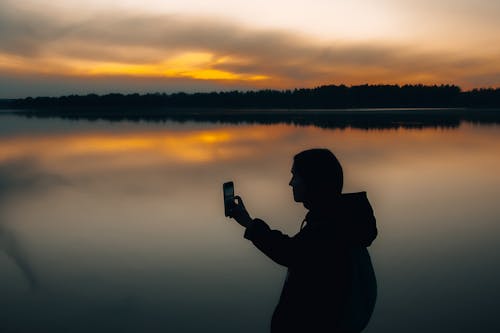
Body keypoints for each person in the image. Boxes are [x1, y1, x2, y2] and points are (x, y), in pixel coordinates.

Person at [227, 148, 377, 333]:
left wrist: (250, 224)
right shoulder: (341, 219)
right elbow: (296, 251)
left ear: (313, 181)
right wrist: (249, 223)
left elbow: (289, 252)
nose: (290, 183)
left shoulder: (330, 228)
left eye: (295, 176)